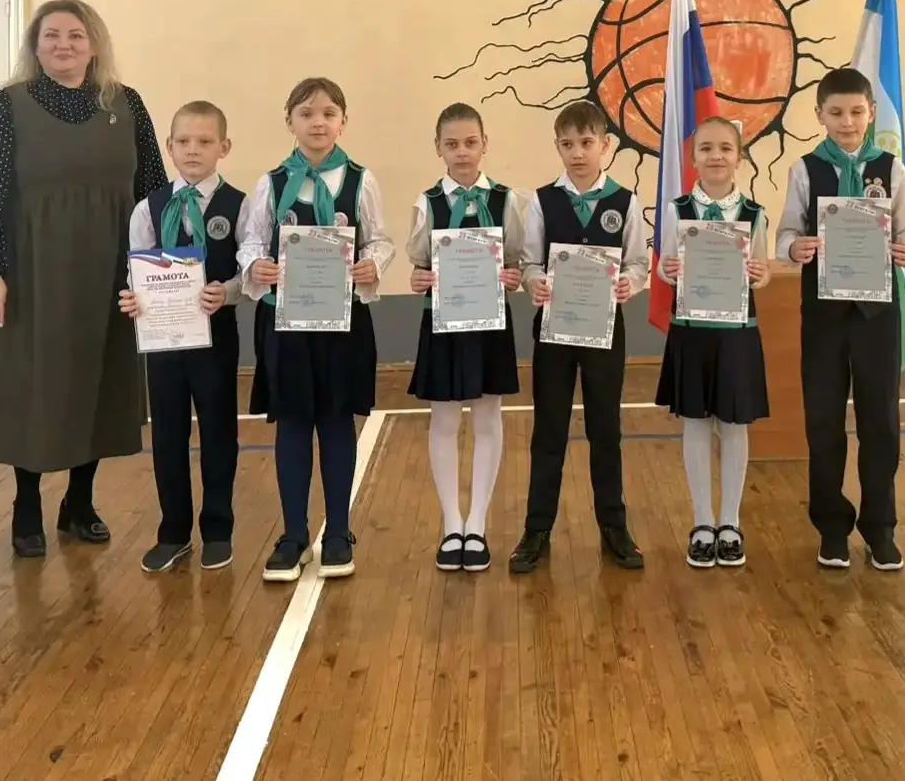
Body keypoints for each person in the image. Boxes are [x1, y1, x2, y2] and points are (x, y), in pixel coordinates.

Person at [0, 0, 168, 558]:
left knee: (98, 381)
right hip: (33, 272)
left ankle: (80, 502)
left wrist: (163, 273)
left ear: (93, 44)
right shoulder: (5, 107)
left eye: (75, 35)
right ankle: (27, 503)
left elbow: (154, 191)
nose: (63, 45)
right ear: (36, 44)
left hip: (110, 271)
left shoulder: (127, 105)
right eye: (51, 35)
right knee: (33, 385)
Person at [239, 77, 395, 583]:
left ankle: (339, 533)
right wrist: (256, 266)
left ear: (343, 122)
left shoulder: (360, 180)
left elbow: (380, 240)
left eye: (329, 113)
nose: (318, 122)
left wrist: (373, 263)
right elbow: (251, 241)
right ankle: (293, 535)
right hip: (286, 323)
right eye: (306, 113)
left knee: (335, 421)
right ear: (290, 121)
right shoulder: (270, 183)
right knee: (291, 424)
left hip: (342, 322)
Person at [775, 66, 905, 573]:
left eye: (856, 112)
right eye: (836, 112)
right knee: (823, 420)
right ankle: (832, 527)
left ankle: (880, 528)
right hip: (824, 314)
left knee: (880, 421)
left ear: (871, 113)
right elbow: (786, 233)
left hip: (878, 314)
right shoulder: (805, 170)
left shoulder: (892, 169)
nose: (847, 122)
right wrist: (794, 247)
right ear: (820, 114)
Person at [509, 100, 649, 574]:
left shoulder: (625, 201)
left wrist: (631, 282)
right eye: (567, 144)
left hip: (605, 331)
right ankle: (536, 528)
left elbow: (637, 262)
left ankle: (614, 526)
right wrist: (534, 282)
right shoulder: (542, 201)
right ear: (558, 148)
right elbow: (529, 262)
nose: (577, 153)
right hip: (554, 332)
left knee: (605, 429)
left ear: (605, 145)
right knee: (549, 429)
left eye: (586, 143)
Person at [118, 101, 248, 574]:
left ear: (223, 147)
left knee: (218, 432)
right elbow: (135, 270)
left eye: (205, 142)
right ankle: (173, 532)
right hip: (164, 342)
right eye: (184, 142)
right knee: (168, 434)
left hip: (216, 337)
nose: (194, 150)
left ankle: (218, 529)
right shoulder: (148, 208)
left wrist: (228, 291)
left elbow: (250, 271)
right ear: (169, 147)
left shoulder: (240, 205)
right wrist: (133, 299)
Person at [405, 103, 524, 573]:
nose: (462, 152)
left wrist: (514, 276)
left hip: (489, 322)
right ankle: (451, 524)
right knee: (445, 420)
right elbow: (419, 264)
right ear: (438, 148)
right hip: (444, 323)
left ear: (484, 144)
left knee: (488, 416)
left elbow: (516, 259)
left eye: (470, 142)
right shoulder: (427, 202)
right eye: (451, 144)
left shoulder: (507, 200)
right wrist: (417, 279)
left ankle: (477, 524)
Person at [653, 116, 771, 569]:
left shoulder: (754, 213)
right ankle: (703, 521)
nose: (716, 155)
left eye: (725, 148)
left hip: (736, 333)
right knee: (697, 424)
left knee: (735, 426)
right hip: (692, 330)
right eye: (706, 148)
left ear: (739, 156)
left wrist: (759, 275)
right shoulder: (677, 210)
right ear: (693, 157)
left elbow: (760, 271)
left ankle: (730, 521)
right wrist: (669, 271)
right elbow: (665, 265)